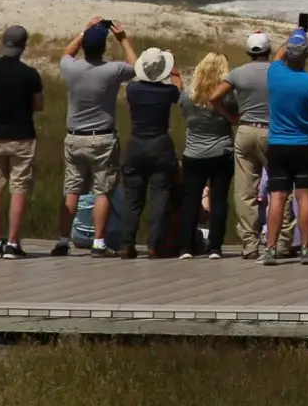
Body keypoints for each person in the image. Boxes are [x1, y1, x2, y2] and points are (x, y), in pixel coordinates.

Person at [55, 18, 134, 257]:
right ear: (103, 48)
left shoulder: (71, 68)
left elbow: (67, 53)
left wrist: (85, 30)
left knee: (72, 190)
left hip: (75, 137)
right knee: (103, 190)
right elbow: (137, 66)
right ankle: (99, 242)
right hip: (101, 138)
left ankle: (62, 240)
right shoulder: (112, 70)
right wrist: (123, 39)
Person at [0, 23, 44, 259]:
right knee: (19, 189)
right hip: (22, 135)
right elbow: (39, 105)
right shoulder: (30, 74)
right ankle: (13, 243)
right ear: (24, 46)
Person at [262, 27, 308, 265]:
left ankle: (270, 249)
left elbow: (279, 54)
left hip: (277, 145)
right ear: (306, 57)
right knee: (305, 198)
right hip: (303, 145)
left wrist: (295, 33)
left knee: (277, 198)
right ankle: (306, 248)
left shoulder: (274, 72)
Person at [111, 47, 181, 259]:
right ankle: (154, 244)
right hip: (160, 144)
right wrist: (175, 73)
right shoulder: (168, 92)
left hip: (137, 144)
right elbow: (179, 89)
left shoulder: (133, 90)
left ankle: (127, 244)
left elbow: (135, 70)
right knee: (160, 197)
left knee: (133, 199)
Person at [179, 51, 238, 257]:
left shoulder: (188, 95)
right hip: (221, 150)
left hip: (194, 152)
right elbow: (235, 118)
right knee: (219, 199)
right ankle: (215, 246)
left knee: (191, 200)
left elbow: (185, 115)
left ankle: (186, 246)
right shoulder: (229, 96)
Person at [226, 31, 278, 257]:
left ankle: (249, 244)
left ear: (248, 52)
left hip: (245, 128)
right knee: (280, 187)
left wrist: (231, 118)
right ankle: (281, 241)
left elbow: (215, 96)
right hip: (273, 130)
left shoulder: (237, 73)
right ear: (269, 50)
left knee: (245, 190)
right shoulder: (277, 72)